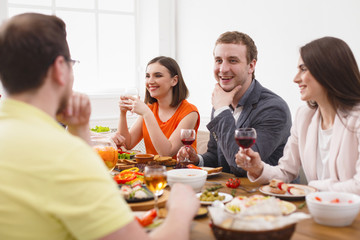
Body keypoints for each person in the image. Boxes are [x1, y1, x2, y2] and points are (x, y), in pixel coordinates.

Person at [0, 13, 199, 239]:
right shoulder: (65, 155)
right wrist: (181, 210)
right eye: (71, 64)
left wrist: (80, 130)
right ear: (59, 69)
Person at [235, 37, 360, 194]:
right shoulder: (304, 116)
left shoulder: (357, 118)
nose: (295, 79)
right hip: (318, 210)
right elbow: (286, 172)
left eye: (303, 69)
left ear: (328, 71)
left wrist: (311, 188)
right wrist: (258, 168)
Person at [177, 31, 292, 177]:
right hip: (230, 193)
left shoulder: (273, 108)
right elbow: (217, 157)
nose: (223, 69)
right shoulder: (221, 103)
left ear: (251, 66)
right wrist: (197, 160)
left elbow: (243, 167)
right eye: (218, 60)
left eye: (232, 61)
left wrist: (221, 110)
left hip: (268, 196)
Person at [112, 56, 200, 158]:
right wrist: (123, 113)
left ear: (174, 80)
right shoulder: (150, 108)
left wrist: (147, 113)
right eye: (147, 76)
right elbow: (127, 144)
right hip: (152, 171)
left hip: (180, 172)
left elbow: (167, 152)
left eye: (158, 76)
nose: (150, 81)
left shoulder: (190, 112)